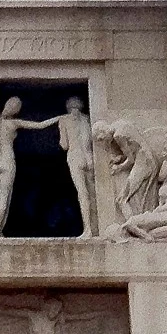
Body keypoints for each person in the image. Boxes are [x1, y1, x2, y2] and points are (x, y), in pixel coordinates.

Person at [0, 97, 59, 237]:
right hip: (7, 160)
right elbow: (41, 125)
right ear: (16, 110)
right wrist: (60, 117)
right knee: (3, 196)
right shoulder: (14, 123)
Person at [52, 97, 96, 237]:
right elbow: (88, 139)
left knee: (82, 194)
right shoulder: (86, 119)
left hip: (75, 156)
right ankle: (96, 228)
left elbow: (64, 144)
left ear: (67, 107)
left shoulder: (64, 120)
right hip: (88, 157)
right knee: (93, 193)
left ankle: (88, 229)